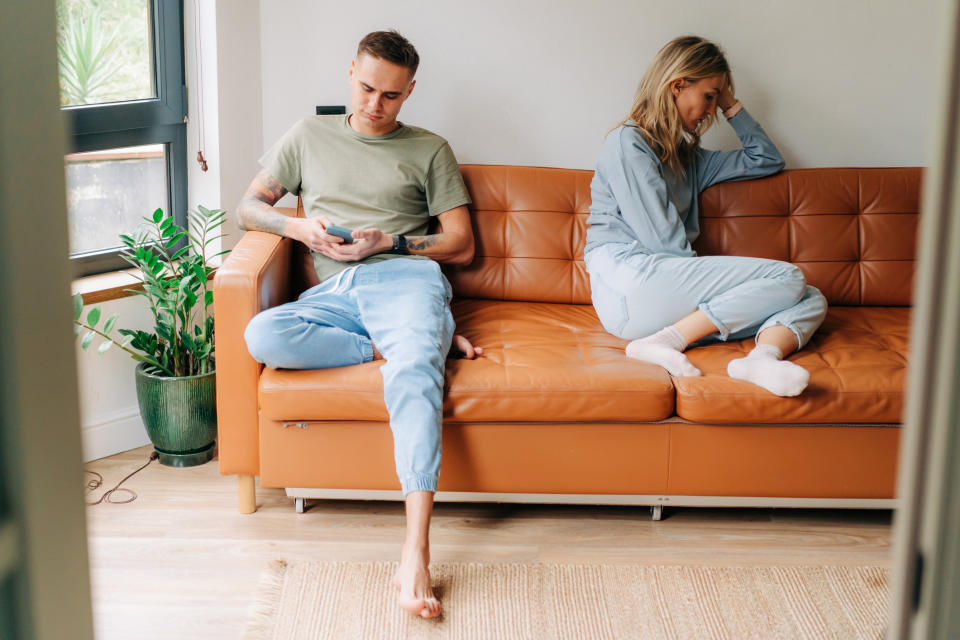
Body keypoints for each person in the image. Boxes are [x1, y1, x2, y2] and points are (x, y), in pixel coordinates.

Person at [238, 30, 480, 619]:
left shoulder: (430, 148)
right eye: (368, 88)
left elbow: (462, 244)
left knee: (414, 373)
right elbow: (248, 207)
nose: (376, 105)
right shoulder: (308, 135)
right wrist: (301, 229)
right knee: (262, 335)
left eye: (391, 96)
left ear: (410, 92)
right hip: (337, 289)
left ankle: (416, 550)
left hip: (406, 279)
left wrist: (390, 240)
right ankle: (419, 339)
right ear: (351, 73)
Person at [585, 36, 827, 397]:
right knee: (787, 278)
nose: (712, 109)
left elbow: (765, 159)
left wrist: (729, 99)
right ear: (677, 85)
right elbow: (662, 242)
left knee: (810, 297)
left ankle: (761, 359)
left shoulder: (692, 160)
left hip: (660, 290)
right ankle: (666, 340)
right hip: (627, 283)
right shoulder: (628, 143)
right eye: (710, 96)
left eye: (718, 100)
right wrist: (721, 295)